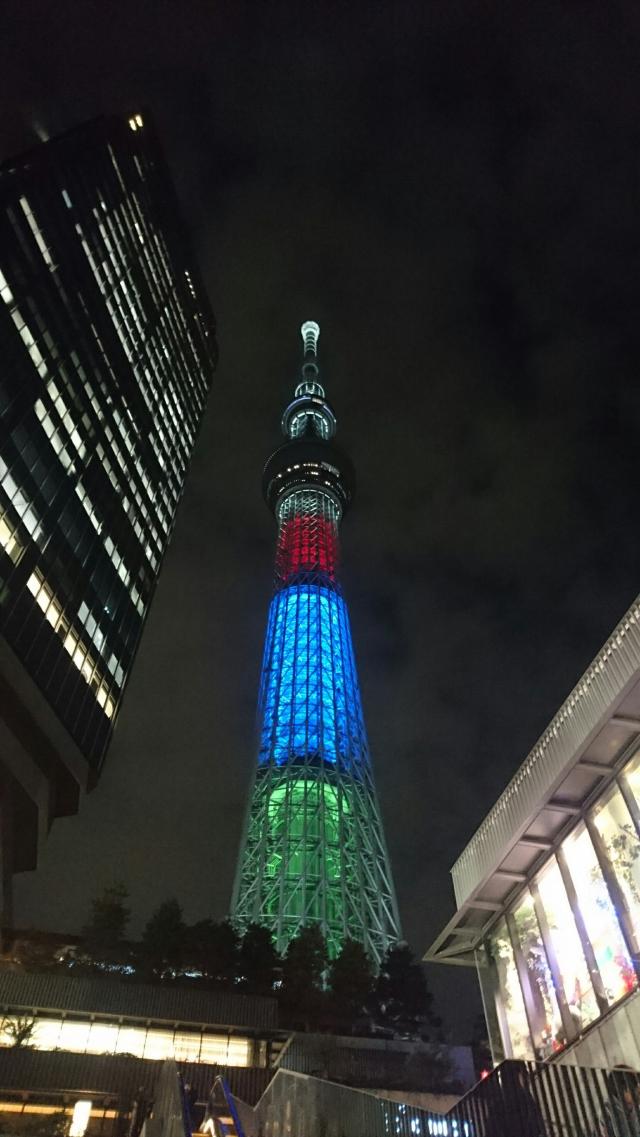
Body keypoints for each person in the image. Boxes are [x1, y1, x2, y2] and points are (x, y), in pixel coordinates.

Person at [483, 1062, 547, 1137]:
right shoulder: (525, 1098)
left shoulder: (497, 1104)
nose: (527, 1076)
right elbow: (537, 1125)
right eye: (523, 1072)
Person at [599, 1066, 640, 1137]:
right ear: (623, 1091)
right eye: (636, 1086)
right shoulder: (608, 1112)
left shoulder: (634, 1107)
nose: (639, 1090)